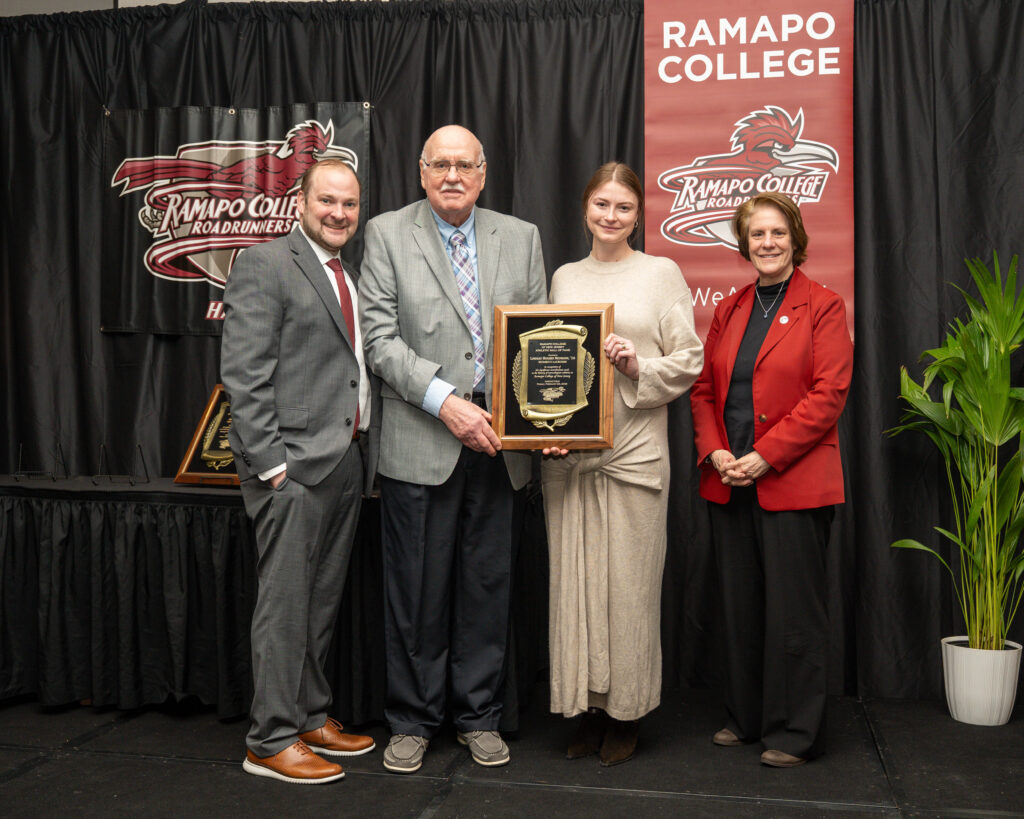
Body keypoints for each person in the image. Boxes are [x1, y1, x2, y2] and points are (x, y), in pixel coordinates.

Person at [359, 125, 546, 774]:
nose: (452, 176)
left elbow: (542, 338)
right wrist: (447, 402)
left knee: (488, 588)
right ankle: (410, 720)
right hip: (422, 441)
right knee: (415, 591)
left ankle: (479, 716)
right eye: (440, 164)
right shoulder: (385, 233)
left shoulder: (521, 238)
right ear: (421, 170)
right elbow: (378, 340)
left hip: (501, 445)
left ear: (484, 172)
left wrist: (539, 417)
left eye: (464, 165)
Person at [541, 162, 704, 766]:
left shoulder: (662, 273)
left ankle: (627, 713)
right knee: (575, 589)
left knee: (630, 592)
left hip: (634, 457)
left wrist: (639, 367)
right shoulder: (562, 277)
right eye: (602, 205)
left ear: (640, 215)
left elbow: (689, 359)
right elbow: (546, 368)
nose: (612, 216)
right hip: (569, 462)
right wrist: (539, 433)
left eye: (625, 208)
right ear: (586, 207)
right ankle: (583, 710)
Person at [221, 158, 377, 784]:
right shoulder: (265, 264)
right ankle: (269, 739)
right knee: (285, 607)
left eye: (349, 204)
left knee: (320, 601)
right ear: (301, 202)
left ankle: (310, 714)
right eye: (327, 202)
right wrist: (273, 467)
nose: (339, 213)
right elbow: (245, 376)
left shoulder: (348, 272)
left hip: (344, 460)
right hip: (293, 469)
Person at [690, 192, 853, 767]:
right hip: (729, 481)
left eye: (777, 233)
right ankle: (747, 716)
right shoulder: (730, 309)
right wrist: (715, 454)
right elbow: (705, 391)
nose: (767, 243)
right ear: (744, 242)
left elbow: (828, 393)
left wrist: (764, 455)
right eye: (757, 234)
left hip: (791, 480)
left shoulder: (824, 305)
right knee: (740, 609)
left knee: (794, 615)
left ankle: (794, 733)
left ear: (796, 238)